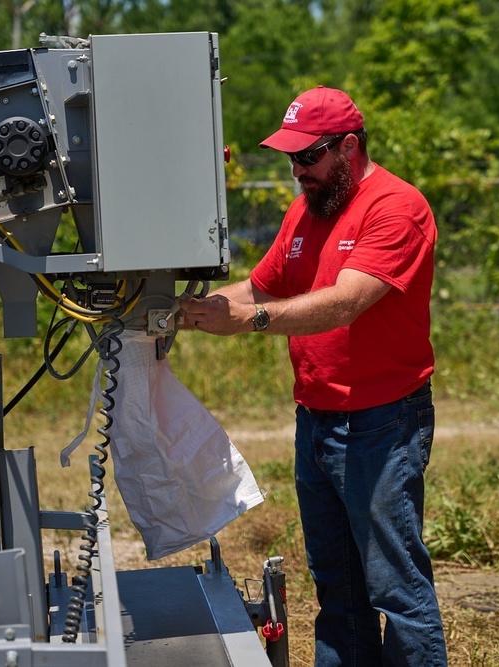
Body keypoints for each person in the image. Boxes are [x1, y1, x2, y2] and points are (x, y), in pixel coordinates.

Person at [180, 85, 447, 666]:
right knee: (337, 588)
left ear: (348, 147)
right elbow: (262, 286)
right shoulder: (307, 208)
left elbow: (346, 303)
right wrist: (184, 315)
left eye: (308, 157)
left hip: (382, 420)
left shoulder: (395, 207)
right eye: (290, 158)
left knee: (395, 587)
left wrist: (249, 322)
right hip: (318, 419)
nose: (296, 170)